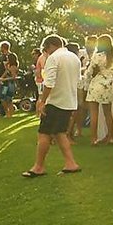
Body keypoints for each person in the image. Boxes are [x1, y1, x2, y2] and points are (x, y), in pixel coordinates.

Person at [24, 34, 82, 177]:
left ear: (51, 46)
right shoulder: (74, 58)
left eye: (46, 49)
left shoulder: (54, 58)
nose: (45, 52)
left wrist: (42, 101)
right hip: (69, 101)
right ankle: (70, 163)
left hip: (55, 101)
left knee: (44, 133)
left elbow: (49, 83)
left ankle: (39, 166)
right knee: (59, 133)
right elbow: (78, 80)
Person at [84, 35, 113, 145]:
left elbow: (89, 72)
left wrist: (87, 77)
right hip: (108, 84)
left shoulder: (97, 56)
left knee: (94, 113)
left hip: (96, 84)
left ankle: (94, 138)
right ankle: (111, 136)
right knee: (108, 112)